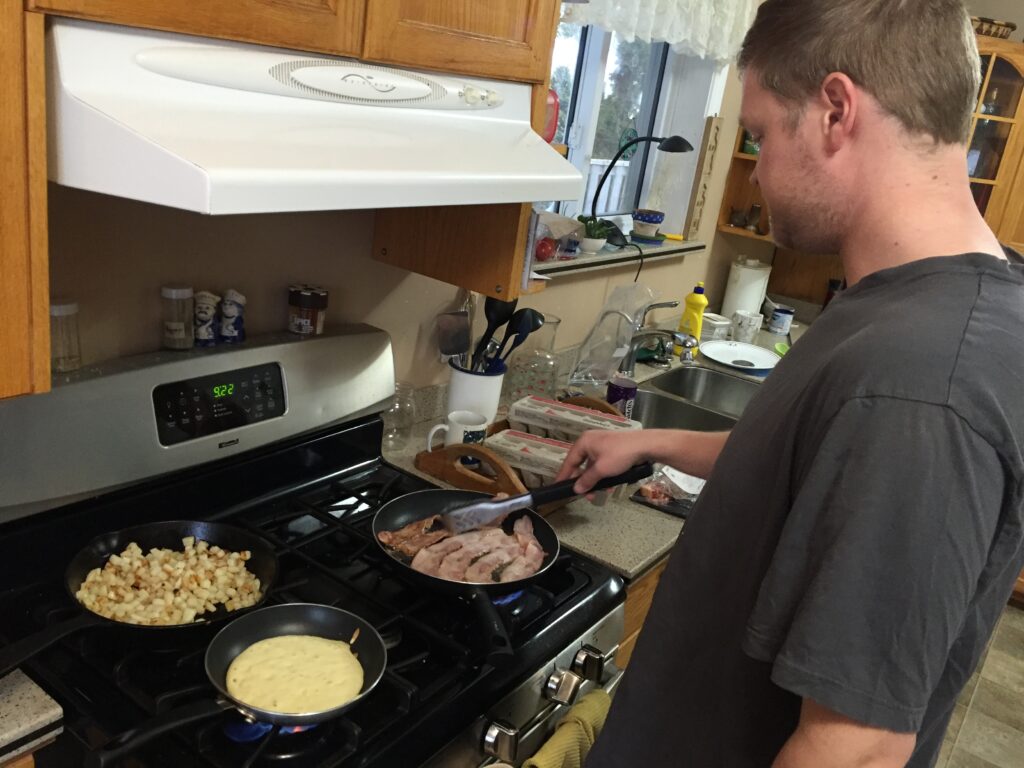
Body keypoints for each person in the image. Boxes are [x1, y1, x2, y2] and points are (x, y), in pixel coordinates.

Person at [556, 2, 1024, 766]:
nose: (760, 167)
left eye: (762, 134)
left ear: (836, 111)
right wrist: (651, 442)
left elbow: (858, 746)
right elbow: (808, 460)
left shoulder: (922, 386)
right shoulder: (908, 309)